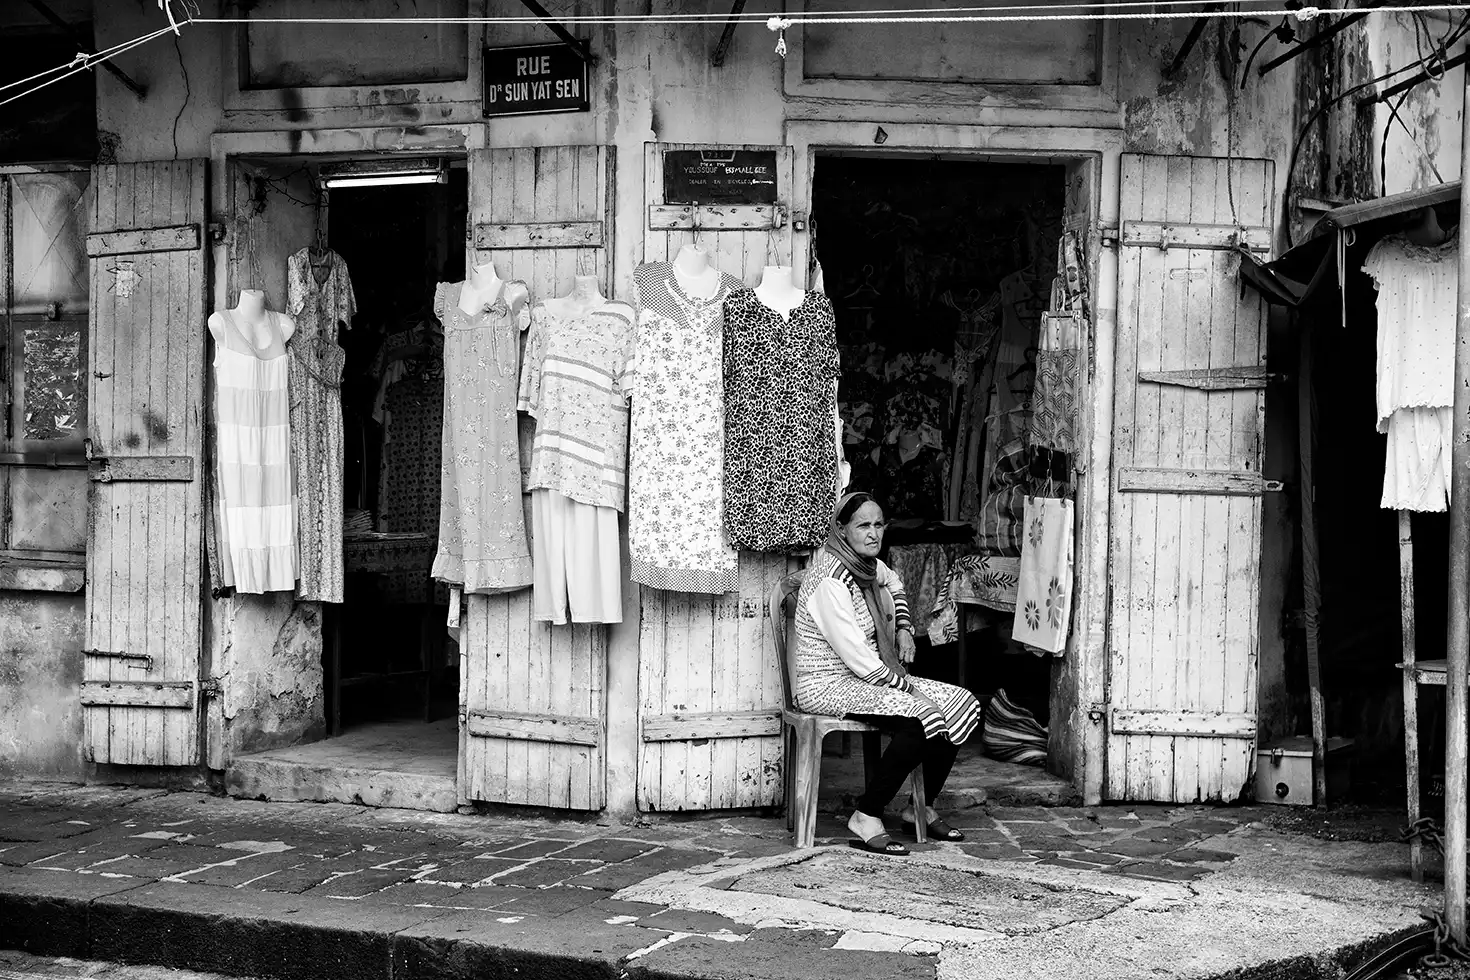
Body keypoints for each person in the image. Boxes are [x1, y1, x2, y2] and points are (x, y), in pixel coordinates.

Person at [793, 492, 983, 855]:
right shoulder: (830, 580)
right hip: (827, 683)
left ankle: (919, 809)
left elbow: (894, 581)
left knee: (963, 702)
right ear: (841, 529)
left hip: (865, 679)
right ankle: (866, 814)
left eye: (878, 524)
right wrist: (910, 692)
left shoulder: (866, 566)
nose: (873, 533)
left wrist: (903, 627)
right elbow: (858, 658)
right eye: (863, 525)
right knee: (920, 717)